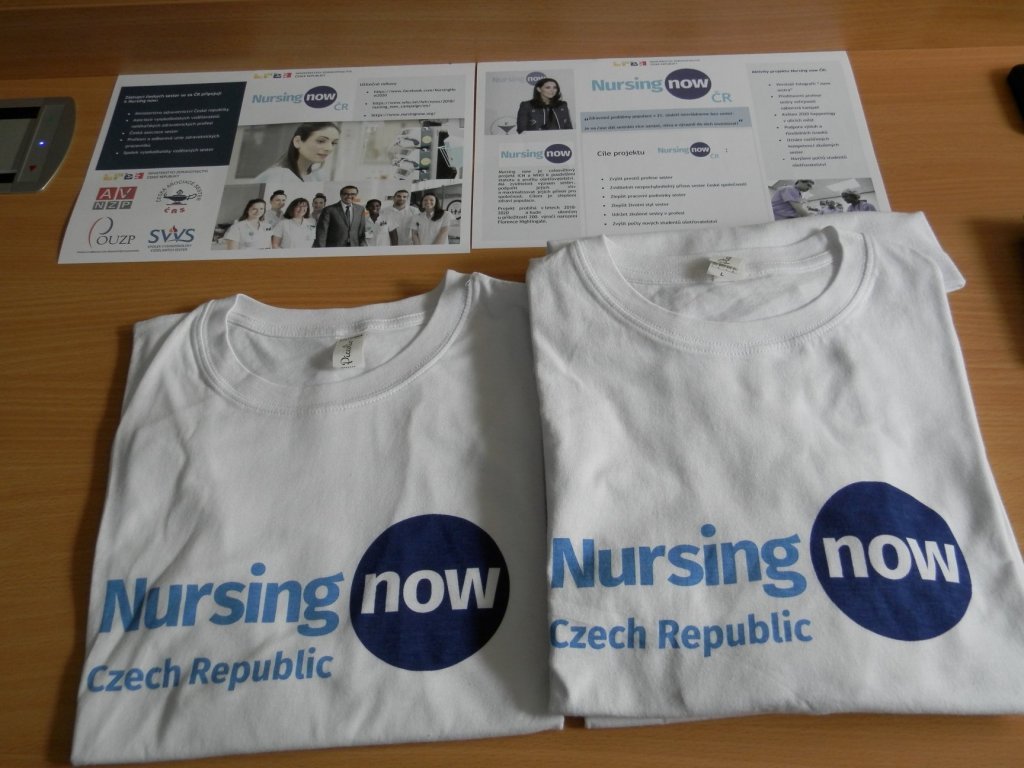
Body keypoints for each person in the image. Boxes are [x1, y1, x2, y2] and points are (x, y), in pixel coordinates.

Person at [255, 122, 341, 183]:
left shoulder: (319, 176)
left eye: (333, 143)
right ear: (297, 142)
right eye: (321, 141)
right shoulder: (278, 176)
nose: (329, 148)